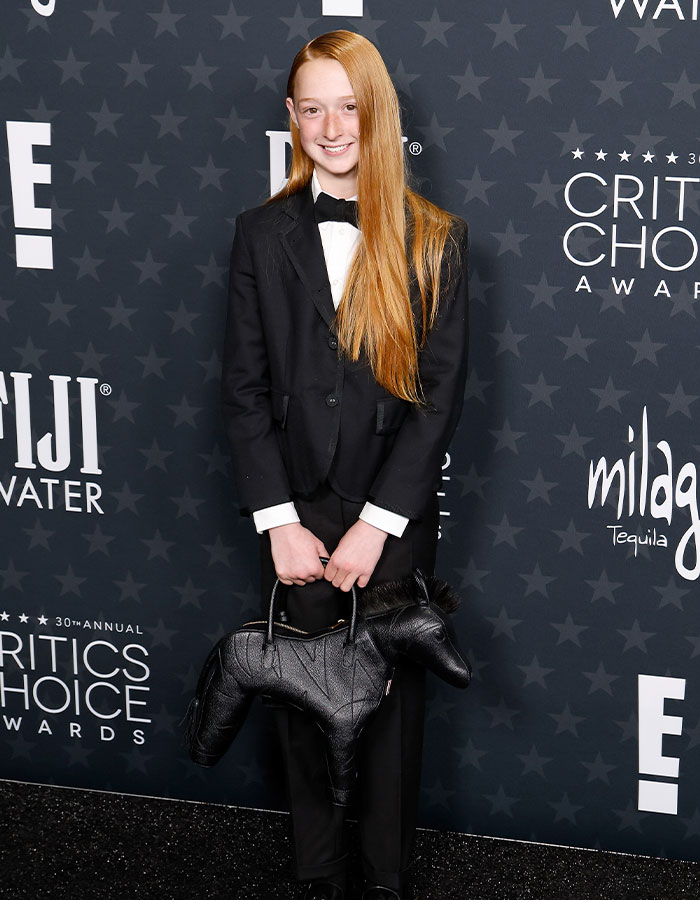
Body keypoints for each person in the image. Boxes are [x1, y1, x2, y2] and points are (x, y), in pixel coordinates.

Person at [221, 29, 469, 900]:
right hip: (294, 515)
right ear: (291, 117)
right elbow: (244, 390)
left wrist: (378, 525)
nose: (332, 128)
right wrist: (278, 521)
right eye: (312, 108)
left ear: (379, 112)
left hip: (390, 520)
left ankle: (386, 876)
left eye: (349, 107)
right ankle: (318, 873)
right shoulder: (259, 234)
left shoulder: (435, 238)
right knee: (299, 692)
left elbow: (437, 399)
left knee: (391, 703)